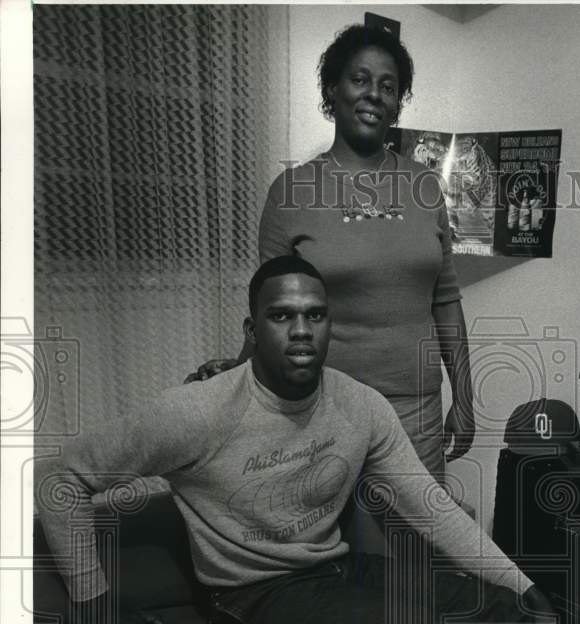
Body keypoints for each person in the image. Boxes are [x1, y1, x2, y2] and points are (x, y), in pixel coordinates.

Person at [37, 256, 570, 624]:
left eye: (315, 315)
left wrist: (525, 589)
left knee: (504, 612)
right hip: (253, 598)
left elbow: (432, 509)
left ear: (330, 325)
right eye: (281, 315)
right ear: (252, 327)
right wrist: (97, 610)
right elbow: (60, 479)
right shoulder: (197, 411)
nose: (300, 330)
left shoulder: (360, 405)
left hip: (338, 571)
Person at [190, 23, 474, 480]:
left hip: (416, 412)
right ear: (332, 90)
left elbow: (446, 303)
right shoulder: (291, 192)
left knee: (414, 543)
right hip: (323, 409)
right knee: (327, 546)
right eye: (360, 79)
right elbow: (272, 310)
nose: (374, 95)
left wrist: (464, 397)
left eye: (388, 86)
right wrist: (236, 376)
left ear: (397, 102)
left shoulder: (425, 187)